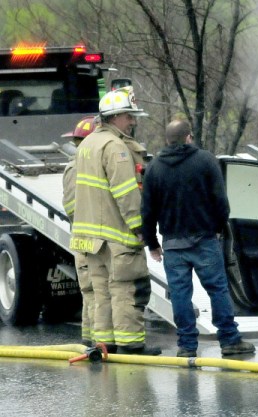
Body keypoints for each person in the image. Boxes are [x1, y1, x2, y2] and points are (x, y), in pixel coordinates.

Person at [141, 119, 255, 358]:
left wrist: (152, 243)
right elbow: (221, 202)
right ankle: (229, 340)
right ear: (189, 137)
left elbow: (148, 210)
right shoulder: (205, 161)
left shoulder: (154, 168)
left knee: (180, 294)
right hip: (204, 239)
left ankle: (187, 345)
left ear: (168, 140)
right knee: (218, 290)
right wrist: (218, 228)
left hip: (172, 243)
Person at [70, 86, 161, 355]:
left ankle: (105, 345)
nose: (132, 121)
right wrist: (141, 228)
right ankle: (131, 345)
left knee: (101, 293)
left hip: (89, 239)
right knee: (125, 290)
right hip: (115, 236)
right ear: (115, 117)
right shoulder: (115, 147)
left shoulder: (86, 144)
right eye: (128, 116)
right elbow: (125, 193)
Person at [61, 116, 98, 346]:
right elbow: (72, 206)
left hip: (84, 236)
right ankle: (94, 340)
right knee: (94, 289)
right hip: (87, 237)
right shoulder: (78, 167)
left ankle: (89, 339)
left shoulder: (79, 164)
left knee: (91, 290)